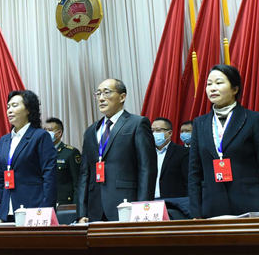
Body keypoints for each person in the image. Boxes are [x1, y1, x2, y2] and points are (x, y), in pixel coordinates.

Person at [188, 64, 259, 218]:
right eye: (209, 84)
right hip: (212, 208)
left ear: (235, 89)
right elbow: (194, 173)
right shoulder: (199, 123)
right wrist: (195, 214)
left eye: (219, 83)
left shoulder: (254, 120)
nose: (212, 88)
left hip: (250, 206)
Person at [78, 78, 157, 222]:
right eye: (98, 94)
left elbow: (147, 169)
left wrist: (142, 207)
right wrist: (81, 212)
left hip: (127, 205)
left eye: (107, 92)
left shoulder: (137, 124)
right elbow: (84, 174)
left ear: (122, 97)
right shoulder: (91, 131)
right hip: (95, 208)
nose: (101, 98)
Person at [0, 90, 56, 221]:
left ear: (28, 110)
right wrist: (0, 207)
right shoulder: (4, 140)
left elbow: (49, 175)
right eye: (8, 107)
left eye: (15, 105)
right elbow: (0, 177)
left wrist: (46, 210)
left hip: (34, 208)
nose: (9, 110)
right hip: (7, 209)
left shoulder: (40, 136)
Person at [45, 117, 81, 205]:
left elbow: (78, 184)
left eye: (50, 130)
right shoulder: (41, 153)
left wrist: (76, 207)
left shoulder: (70, 153)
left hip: (65, 204)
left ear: (59, 133)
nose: (46, 133)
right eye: (45, 130)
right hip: (45, 203)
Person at [152, 117, 188, 199]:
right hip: (149, 201)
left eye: (158, 130)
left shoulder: (183, 152)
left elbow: (188, 181)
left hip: (173, 201)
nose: (154, 133)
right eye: (152, 131)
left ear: (170, 133)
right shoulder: (146, 153)